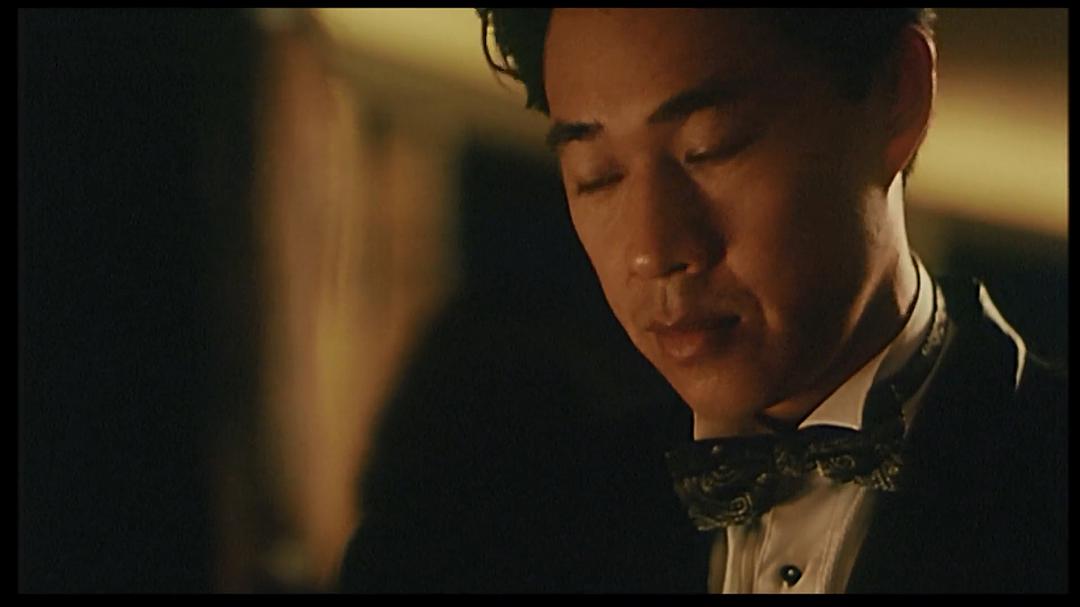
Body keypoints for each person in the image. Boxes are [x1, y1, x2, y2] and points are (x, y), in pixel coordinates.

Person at [339, 9, 1066, 593]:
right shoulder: (485, 537)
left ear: (896, 98)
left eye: (711, 147)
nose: (652, 250)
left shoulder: (1040, 481)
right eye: (597, 174)